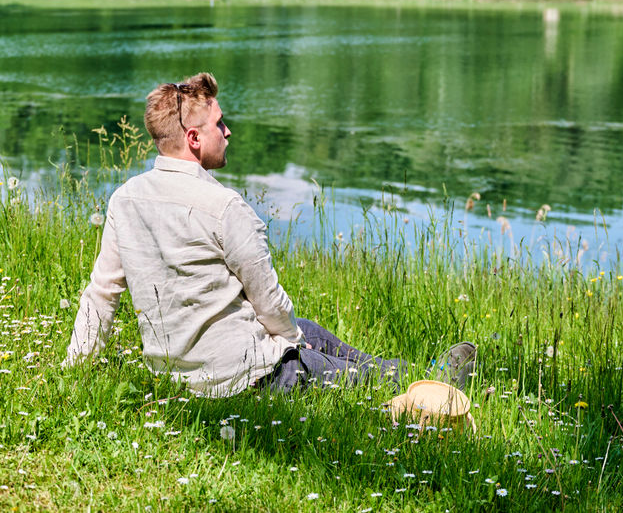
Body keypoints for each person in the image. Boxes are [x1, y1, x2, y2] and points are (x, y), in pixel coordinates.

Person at [63, 71, 474, 397]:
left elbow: (101, 295)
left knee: (310, 331)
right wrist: (291, 346)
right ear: (193, 138)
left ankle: (418, 372)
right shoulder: (224, 208)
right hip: (243, 378)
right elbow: (269, 303)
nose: (228, 133)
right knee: (349, 376)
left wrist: (75, 370)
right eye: (219, 124)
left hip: (176, 375)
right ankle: (432, 388)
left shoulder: (125, 198)